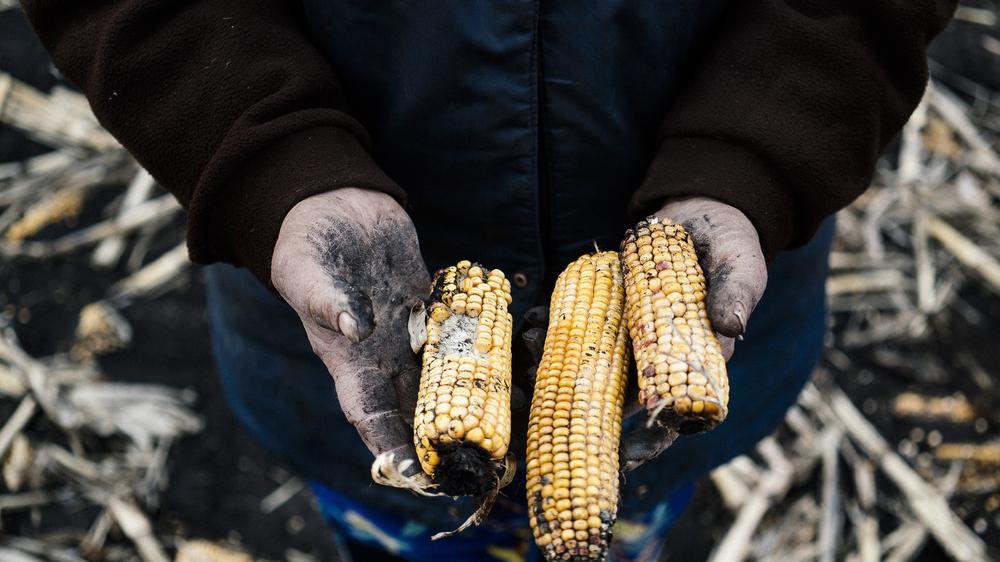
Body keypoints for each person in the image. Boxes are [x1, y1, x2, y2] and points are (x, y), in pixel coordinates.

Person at [22, 2, 955, 560]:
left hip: (685, 288)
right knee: (400, 523)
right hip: (342, 323)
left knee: (634, 509)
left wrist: (753, 159)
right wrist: (273, 163)